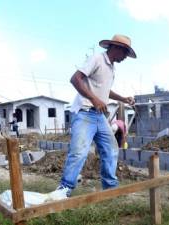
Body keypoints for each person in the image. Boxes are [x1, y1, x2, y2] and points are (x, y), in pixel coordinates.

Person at [51, 34, 137, 199]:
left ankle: (110, 190)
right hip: (84, 113)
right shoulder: (97, 59)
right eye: (125, 53)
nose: (126, 57)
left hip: (99, 116)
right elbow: (75, 79)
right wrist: (93, 98)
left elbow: (105, 90)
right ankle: (64, 190)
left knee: (111, 149)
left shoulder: (112, 68)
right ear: (116, 48)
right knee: (79, 152)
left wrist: (123, 99)